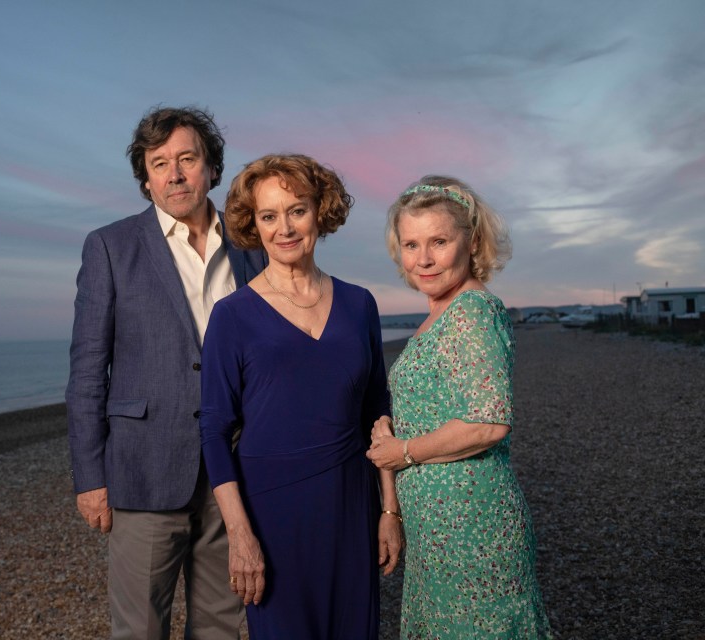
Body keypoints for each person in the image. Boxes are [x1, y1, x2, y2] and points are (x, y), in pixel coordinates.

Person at [66, 106, 265, 640]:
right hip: (144, 471)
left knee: (222, 624)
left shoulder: (252, 249)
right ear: (146, 177)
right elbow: (88, 368)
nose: (174, 174)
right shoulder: (110, 247)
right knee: (140, 630)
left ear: (211, 167)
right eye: (159, 163)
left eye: (186, 158)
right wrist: (90, 478)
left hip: (234, 468)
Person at [200, 154, 403, 639]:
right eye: (269, 216)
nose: (284, 228)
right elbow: (213, 431)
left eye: (297, 210)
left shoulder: (359, 305)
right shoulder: (232, 316)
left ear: (321, 211)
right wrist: (240, 535)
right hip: (271, 516)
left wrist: (389, 511)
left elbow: (378, 412)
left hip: (351, 506)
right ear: (253, 224)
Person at [366, 176, 553, 638]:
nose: (423, 259)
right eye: (411, 244)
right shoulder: (440, 313)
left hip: (474, 526)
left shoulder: (472, 310)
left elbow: (489, 423)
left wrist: (402, 451)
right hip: (439, 531)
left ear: (471, 243)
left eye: (439, 242)